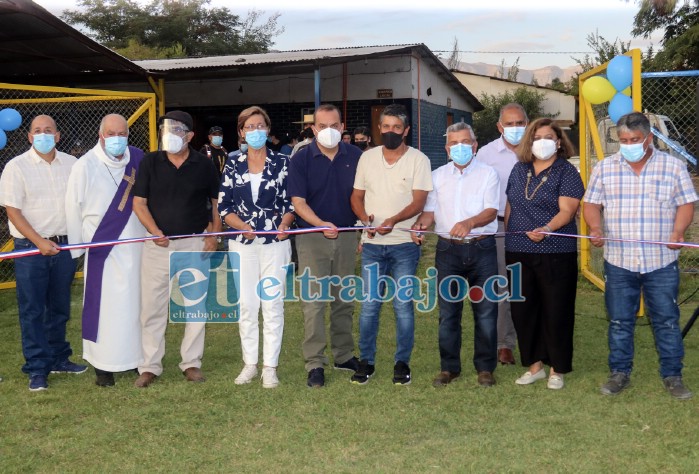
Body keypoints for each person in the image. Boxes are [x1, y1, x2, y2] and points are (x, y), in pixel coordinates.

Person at [584, 112, 697, 400]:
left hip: (660, 260)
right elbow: (591, 205)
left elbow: (686, 204)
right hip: (619, 261)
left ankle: (673, 376)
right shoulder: (605, 168)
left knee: (667, 320)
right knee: (620, 321)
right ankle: (619, 373)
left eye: (634, 140)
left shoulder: (673, 166)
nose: (629, 144)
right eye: (623, 140)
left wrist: (678, 231)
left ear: (648, 138)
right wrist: (595, 227)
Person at [132, 110, 221, 388]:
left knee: (196, 307)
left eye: (177, 130)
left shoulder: (204, 165)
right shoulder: (150, 162)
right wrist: (155, 231)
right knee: (152, 308)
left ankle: (192, 363)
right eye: (166, 130)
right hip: (158, 246)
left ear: (190, 136)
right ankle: (149, 366)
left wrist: (214, 235)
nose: (170, 135)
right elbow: (139, 203)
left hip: (195, 244)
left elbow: (217, 202)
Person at [0, 114, 87, 391]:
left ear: (58, 136)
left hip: (64, 247)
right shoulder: (16, 167)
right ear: (29, 137)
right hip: (30, 249)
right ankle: (37, 368)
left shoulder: (73, 165)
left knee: (59, 307)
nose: (43, 134)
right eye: (37, 130)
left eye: (49, 130)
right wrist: (38, 241)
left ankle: (59, 358)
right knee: (33, 310)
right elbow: (12, 210)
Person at [350, 103, 433, 385]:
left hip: (404, 246)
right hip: (372, 245)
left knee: (402, 306)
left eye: (396, 128)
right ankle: (366, 361)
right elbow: (356, 197)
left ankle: (401, 362)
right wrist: (365, 220)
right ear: (379, 128)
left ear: (406, 130)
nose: (390, 132)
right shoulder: (368, 158)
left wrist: (393, 221)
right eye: (385, 127)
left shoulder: (418, 160)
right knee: (370, 305)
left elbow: (419, 201)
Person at [413, 122, 500, 387]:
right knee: (448, 313)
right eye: (454, 143)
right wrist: (420, 225)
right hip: (448, 251)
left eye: (465, 142)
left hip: (482, 249)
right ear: (447, 148)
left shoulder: (488, 174)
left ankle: (485, 368)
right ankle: (449, 368)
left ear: (474, 146)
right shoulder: (437, 176)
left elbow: (491, 211)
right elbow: (429, 212)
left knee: (485, 312)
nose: (459, 147)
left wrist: (469, 223)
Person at [65, 114, 146, 387]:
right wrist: (78, 248)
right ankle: (103, 366)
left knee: (135, 306)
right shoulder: (84, 165)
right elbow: (72, 208)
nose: (117, 138)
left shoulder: (138, 159)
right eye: (111, 133)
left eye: (122, 133)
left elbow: (148, 198)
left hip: (136, 246)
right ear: (101, 135)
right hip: (103, 250)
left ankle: (136, 359)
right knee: (105, 309)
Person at [505, 117, 584, 390]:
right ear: (529, 141)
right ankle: (534, 366)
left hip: (555, 251)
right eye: (537, 137)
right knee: (523, 311)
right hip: (518, 251)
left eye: (548, 137)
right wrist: (510, 233)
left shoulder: (567, 172)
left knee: (556, 310)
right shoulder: (519, 170)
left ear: (558, 142)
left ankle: (557, 369)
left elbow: (568, 210)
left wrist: (547, 228)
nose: (542, 142)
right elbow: (510, 207)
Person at [219, 106, 295, 388]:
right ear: (241, 132)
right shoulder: (232, 162)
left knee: (272, 304)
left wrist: (284, 224)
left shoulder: (283, 162)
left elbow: (291, 204)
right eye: (249, 127)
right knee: (247, 306)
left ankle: (269, 367)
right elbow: (224, 205)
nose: (255, 131)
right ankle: (250, 363)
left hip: (275, 243)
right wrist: (243, 227)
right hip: (242, 243)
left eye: (260, 125)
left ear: (268, 129)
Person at [287, 104, 362, 388]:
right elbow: (298, 202)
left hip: (346, 236)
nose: (328, 130)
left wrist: (363, 230)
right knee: (314, 303)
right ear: (313, 128)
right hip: (311, 237)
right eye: (322, 126)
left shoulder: (356, 156)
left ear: (342, 127)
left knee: (343, 300)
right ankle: (315, 363)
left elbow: (364, 196)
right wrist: (319, 223)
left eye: (334, 125)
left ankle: (343, 355)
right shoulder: (301, 158)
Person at [475, 103, 528, 366]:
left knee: (530, 283)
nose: (515, 128)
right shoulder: (485, 154)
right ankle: (504, 344)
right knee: (504, 286)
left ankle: (531, 337)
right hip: (498, 228)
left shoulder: (537, 150)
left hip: (534, 228)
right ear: (499, 127)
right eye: (509, 124)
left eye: (520, 123)